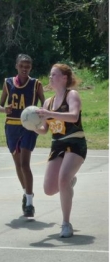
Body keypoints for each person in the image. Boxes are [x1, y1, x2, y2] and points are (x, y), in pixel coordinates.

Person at [35, 63, 87, 237]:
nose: (50, 78)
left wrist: (50, 115)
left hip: (75, 142)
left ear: (64, 78)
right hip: (57, 145)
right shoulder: (48, 102)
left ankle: (66, 223)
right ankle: (69, 182)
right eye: (50, 75)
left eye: (54, 75)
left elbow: (73, 116)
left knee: (62, 180)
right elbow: (44, 130)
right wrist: (31, 126)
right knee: (49, 189)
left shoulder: (72, 95)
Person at [0, 54, 45, 217]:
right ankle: (27, 193)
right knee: (18, 165)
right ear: (16, 66)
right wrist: (5, 109)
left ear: (31, 68)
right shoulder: (7, 82)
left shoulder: (36, 84)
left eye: (28, 66)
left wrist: (42, 118)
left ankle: (30, 204)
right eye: (22, 66)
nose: (25, 69)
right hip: (11, 126)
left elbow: (44, 106)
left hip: (29, 127)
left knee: (25, 164)